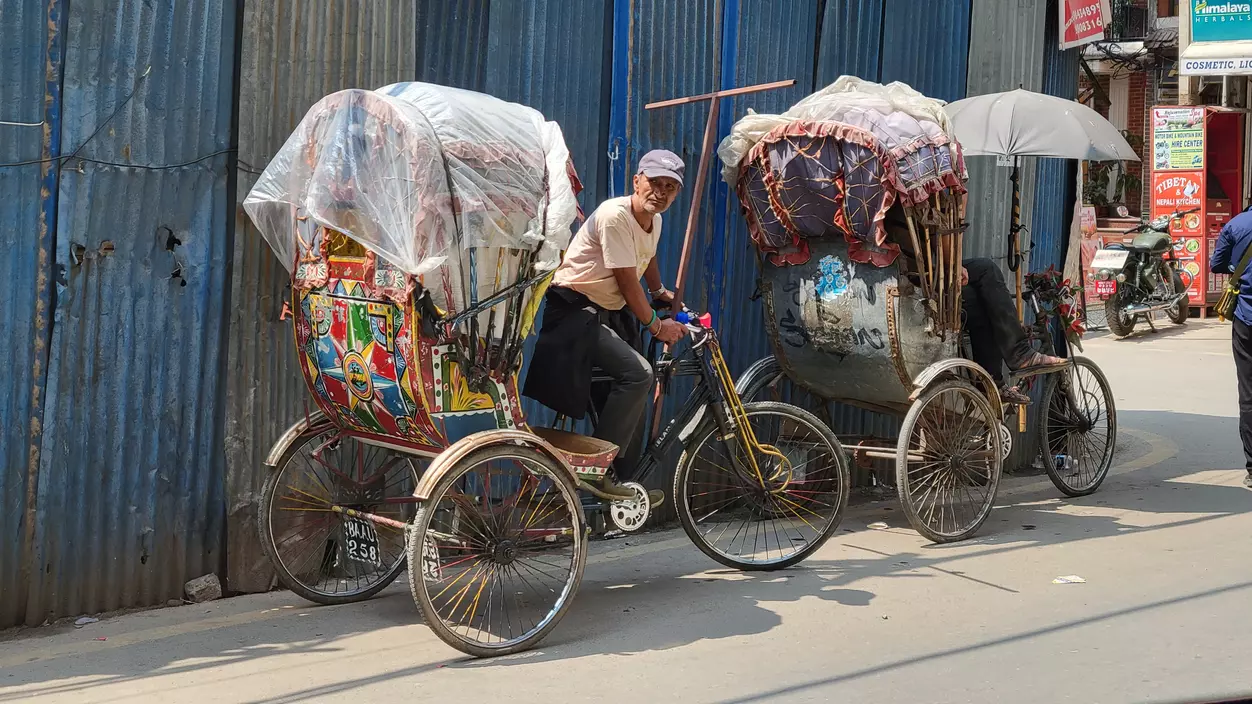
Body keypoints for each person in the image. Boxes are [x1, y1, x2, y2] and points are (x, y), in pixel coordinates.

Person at [524, 150, 688, 501]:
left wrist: (658, 291)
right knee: (639, 374)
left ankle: (622, 477)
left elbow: (648, 255)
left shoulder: (653, 219)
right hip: (574, 311)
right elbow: (628, 282)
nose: (660, 192)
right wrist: (657, 328)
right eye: (654, 183)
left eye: (669, 187)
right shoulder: (615, 215)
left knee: (637, 387)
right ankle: (600, 473)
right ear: (636, 181)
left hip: (607, 312)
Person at [961, 258, 1068, 405]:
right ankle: (1020, 354)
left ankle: (990, 383)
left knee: (984, 306)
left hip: (932, 271)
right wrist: (951, 263)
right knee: (987, 268)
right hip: (932, 271)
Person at [1209, 205, 1252, 490]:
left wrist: (1238, 267)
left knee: (1248, 394)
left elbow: (1216, 264)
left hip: (1247, 318)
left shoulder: (1236, 225)